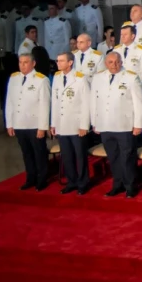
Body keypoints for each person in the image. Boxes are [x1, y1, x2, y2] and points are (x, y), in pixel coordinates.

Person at [92, 52, 142, 198]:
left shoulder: (131, 77)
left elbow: (137, 103)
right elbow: (94, 101)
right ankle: (117, 184)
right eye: (110, 62)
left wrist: (138, 124)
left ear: (121, 62)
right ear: (105, 63)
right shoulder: (98, 78)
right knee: (113, 157)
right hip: (105, 124)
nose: (114, 65)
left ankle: (130, 186)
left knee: (127, 157)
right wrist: (95, 122)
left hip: (124, 125)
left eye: (116, 62)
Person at [6, 53, 51, 191]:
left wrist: (42, 127)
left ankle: (42, 179)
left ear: (33, 63)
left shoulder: (41, 80)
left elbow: (45, 105)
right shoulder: (14, 78)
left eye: (26, 62)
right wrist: (10, 123)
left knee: (39, 152)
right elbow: (10, 102)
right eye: (20, 62)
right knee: (26, 153)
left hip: (34, 124)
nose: (22, 65)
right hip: (19, 123)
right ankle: (30, 178)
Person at [50, 52, 91, 195]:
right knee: (66, 155)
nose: (58, 63)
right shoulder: (56, 77)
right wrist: (53, 123)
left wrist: (84, 125)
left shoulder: (80, 79)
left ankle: (83, 182)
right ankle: (71, 181)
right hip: (62, 124)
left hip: (76, 124)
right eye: (57, 60)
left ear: (70, 62)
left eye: (61, 61)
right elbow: (55, 102)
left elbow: (86, 103)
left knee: (79, 156)